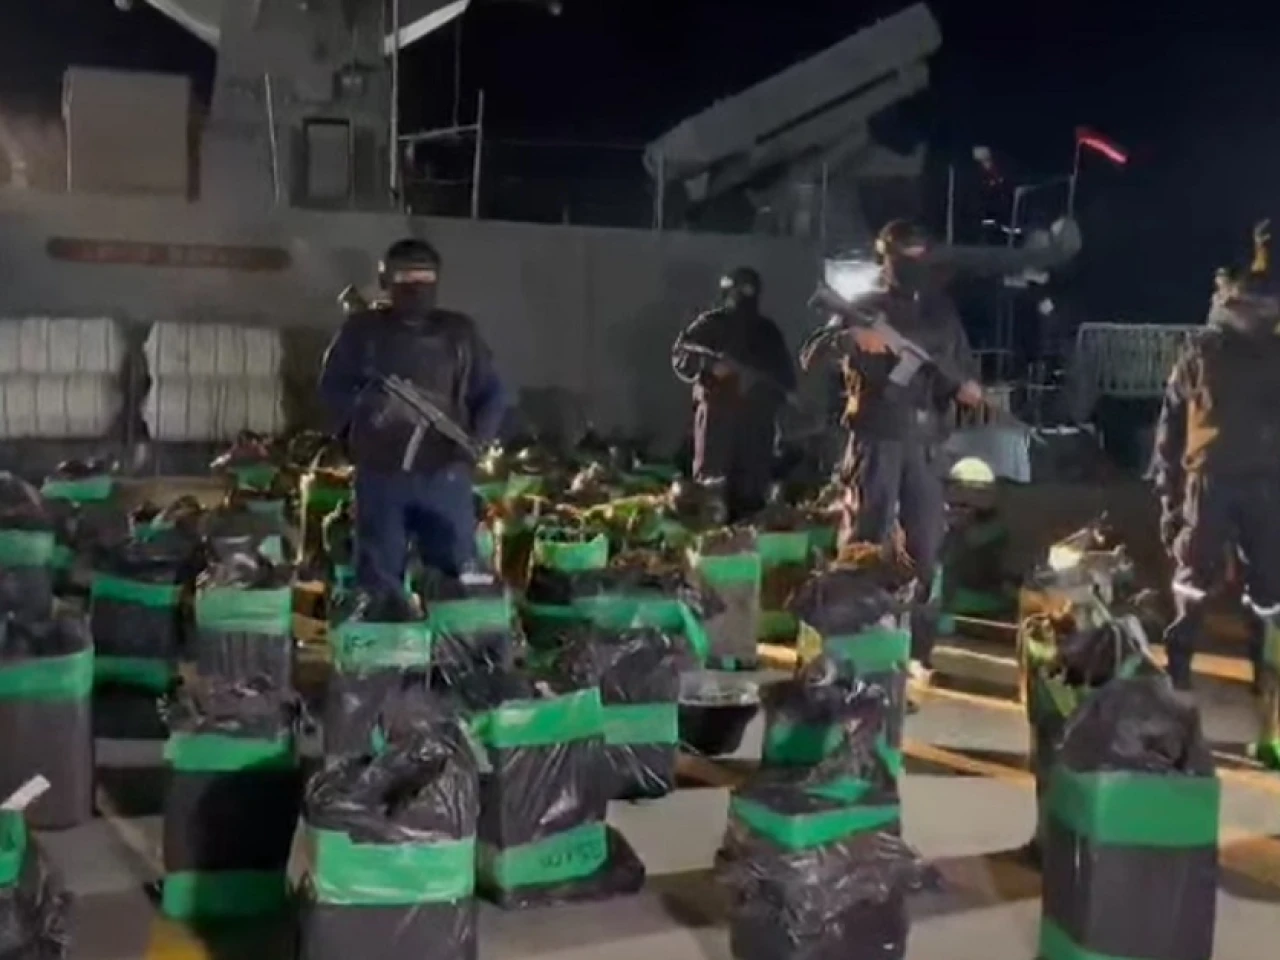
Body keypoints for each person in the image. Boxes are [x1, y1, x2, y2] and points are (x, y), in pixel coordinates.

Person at [803, 219, 985, 691]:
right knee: (866, 540)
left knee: (925, 545)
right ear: (885, 259)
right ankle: (853, 643)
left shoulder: (941, 313)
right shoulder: (865, 307)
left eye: (921, 257)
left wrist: (967, 388)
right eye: (905, 257)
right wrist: (853, 339)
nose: (913, 266)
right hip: (876, 437)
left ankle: (916, 650)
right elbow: (813, 354)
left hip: (924, 443)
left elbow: (963, 368)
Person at [318, 238, 508, 593]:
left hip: (445, 471)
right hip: (381, 473)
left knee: (455, 578)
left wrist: (478, 440)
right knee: (379, 577)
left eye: (425, 277)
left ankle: (451, 630)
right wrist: (366, 412)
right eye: (405, 277)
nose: (416, 287)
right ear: (385, 281)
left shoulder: (459, 333)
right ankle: (386, 623)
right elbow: (332, 390)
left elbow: (492, 394)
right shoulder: (361, 332)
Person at [1153, 265, 1280, 769]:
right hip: (1219, 483)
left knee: (1263, 597)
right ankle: (1179, 692)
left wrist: (1169, 495)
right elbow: (1170, 427)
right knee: (1198, 585)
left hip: (1252, 483)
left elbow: (1168, 430)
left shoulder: (1225, 350)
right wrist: (1169, 497)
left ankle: (1264, 703)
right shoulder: (1202, 352)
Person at [671, 267, 796, 522]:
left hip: (756, 425)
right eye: (739, 291)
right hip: (718, 421)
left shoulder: (767, 332)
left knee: (751, 494)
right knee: (710, 493)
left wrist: (767, 390)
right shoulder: (710, 324)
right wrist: (710, 366)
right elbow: (682, 355)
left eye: (748, 291)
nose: (742, 298)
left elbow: (785, 380)